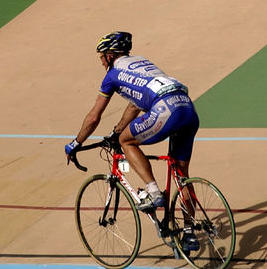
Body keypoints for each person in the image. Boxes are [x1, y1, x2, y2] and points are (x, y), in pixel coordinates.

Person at [64, 31, 200, 215]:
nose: (102, 62)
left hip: (166, 110)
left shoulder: (111, 76)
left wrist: (75, 143)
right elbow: (135, 106)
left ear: (110, 56)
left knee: (126, 141)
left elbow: (94, 117)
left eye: (102, 58)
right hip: (187, 108)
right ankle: (189, 233)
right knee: (181, 175)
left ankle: (153, 192)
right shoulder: (141, 62)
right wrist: (117, 130)